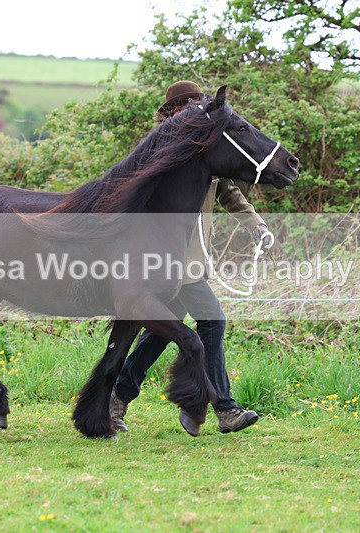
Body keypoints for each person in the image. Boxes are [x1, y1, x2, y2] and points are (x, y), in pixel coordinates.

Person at [110, 80, 271, 435]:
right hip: (165, 256)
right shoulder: (163, 145)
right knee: (212, 321)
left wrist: (255, 224)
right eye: (190, 105)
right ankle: (223, 408)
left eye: (198, 103)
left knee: (158, 334)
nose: (196, 109)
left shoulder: (208, 142)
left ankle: (117, 397)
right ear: (173, 110)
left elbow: (228, 191)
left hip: (192, 255)